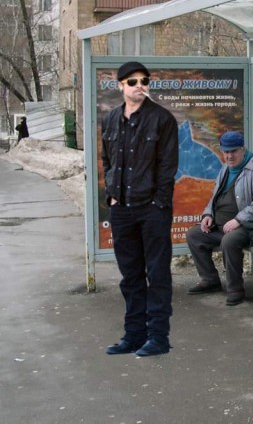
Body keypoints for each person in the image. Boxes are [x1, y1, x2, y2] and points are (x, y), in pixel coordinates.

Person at [101, 61, 179, 357]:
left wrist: (159, 203)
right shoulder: (110, 120)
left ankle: (159, 337)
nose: (139, 86)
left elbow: (168, 166)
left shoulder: (162, 119)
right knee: (130, 275)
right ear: (120, 85)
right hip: (121, 208)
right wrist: (111, 195)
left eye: (144, 81)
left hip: (152, 209)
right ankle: (133, 335)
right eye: (132, 82)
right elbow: (107, 160)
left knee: (157, 274)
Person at [186, 131, 253, 306]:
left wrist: (238, 220)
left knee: (229, 241)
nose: (229, 156)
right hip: (221, 224)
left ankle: (235, 289)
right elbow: (215, 198)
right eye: (226, 151)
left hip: (248, 226)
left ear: (243, 150)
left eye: (233, 151)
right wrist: (208, 215)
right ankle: (210, 280)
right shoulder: (225, 170)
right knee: (194, 234)